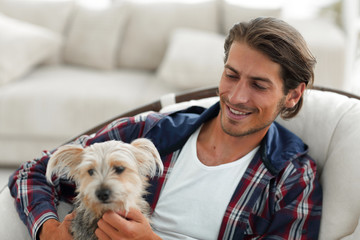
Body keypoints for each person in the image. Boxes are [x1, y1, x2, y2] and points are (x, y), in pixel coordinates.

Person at [9, 17, 322, 240]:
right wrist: (49, 231)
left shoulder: (292, 176)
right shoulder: (151, 132)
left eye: (258, 85)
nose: (237, 96)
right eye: (231, 75)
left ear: (292, 94)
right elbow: (32, 172)